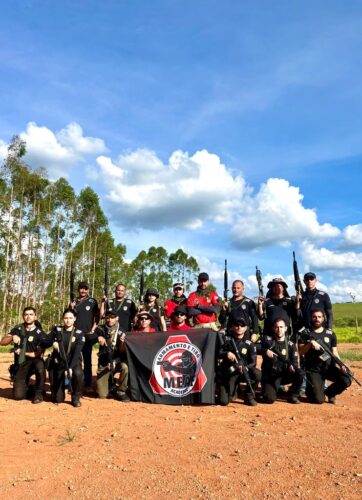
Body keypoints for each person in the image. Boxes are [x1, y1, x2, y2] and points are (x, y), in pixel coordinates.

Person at [298, 309, 351, 404]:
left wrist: (341, 364)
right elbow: (300, 352)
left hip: (328, 367)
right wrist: (310, 344)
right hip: (313, 370)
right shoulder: (305, 333)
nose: (316, 319)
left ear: (323, 318)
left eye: (319, 317)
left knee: (346, 379)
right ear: (311, 318)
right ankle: (310, 391)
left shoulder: (330, 334)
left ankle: (330, 393)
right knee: (318, 400)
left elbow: (334, 352)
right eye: (314, 317)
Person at [0, 307, 47, 403]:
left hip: (35, 362)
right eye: (26, 314)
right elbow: (2, 342)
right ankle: (31, 389)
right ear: (23, 316)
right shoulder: (18, 328)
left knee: (40, 366)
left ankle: (39, 393)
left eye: (31, 314)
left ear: (35, 316)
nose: (28, 317)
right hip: (21, 364)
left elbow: (38, 353)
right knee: (18, 396)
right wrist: (12, 336)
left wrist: (22, 352)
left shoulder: (40, 333)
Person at [217, 317, 260, 406]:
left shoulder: (250, 343)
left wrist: (245, 367)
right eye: (237, 325)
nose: (239, 327)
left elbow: (254, 362)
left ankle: (248, 397)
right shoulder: (226, 340)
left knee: (257, 373)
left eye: (242, 325)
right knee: (224, 401)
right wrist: (227, 353)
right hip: (230, 373)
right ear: (232, 327)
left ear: (246, 328)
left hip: (243, 371)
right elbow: (218, 353)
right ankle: (234, 390)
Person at [46, 308, 85, 407]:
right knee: (57, 399)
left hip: (73, 361)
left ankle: (75, 397)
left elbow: (77, 352)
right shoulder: (57, 330)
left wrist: (70, 368)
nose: (68, 320)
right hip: (59, 361)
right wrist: (53, 342)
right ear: (63, 318)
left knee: (77, 373)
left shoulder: (79, 333)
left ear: (75, 319)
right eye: (66, 318)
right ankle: (59, 388)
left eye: (71, 318)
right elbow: (44, 341)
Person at [88, 309, 129, 401]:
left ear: (117, 318)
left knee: (125, 367)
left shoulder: (123, 331)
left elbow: (123, 352)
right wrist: (97, 337)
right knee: (102, 395)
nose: (110, 320)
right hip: (104, 363)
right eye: (108, 318)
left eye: (112, 317)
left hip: (117, 361)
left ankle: (121, 391)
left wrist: (115, 361)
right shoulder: (101, 329)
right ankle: (111, 386)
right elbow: (89, 337)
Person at [261, 318, 304, 404]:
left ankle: (293, 395)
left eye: (281, 327)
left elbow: (295, 360)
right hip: (271, 376)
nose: (279, 329)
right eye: (276, 327)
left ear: (285, 328)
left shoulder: (291, 344)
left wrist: (292, 366)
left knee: (300, 373)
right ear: (273, 328)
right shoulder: (267, 340)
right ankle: (271, 390)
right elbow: (254, 347)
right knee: (269, 399)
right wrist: (265, 351)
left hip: (284, 374)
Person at [70, 280, 99, 392]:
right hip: (75, 335)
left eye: (85, 288)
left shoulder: (92, 301)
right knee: (75, 359)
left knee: (87, 361)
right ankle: (73, 383)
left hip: (87, 335)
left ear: (88, 290)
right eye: (81, 288)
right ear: (78, 289)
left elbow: (97, 317)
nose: (83, 290)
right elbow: (69, 317)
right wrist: (71, 307)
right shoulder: (74, 302)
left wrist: (93, 329)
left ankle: (88, 384)